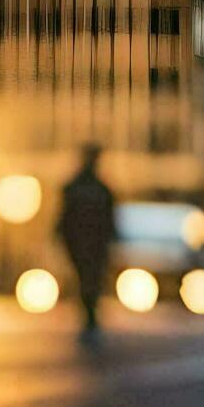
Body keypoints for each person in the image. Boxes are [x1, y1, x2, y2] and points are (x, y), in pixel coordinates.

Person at [57, 144, 116, 343]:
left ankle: (90, 315)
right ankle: (89, 315)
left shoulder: (85, 188)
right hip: (88, 242)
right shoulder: (98, 189)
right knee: (90, 278)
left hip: (85, 242)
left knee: (88, 278)